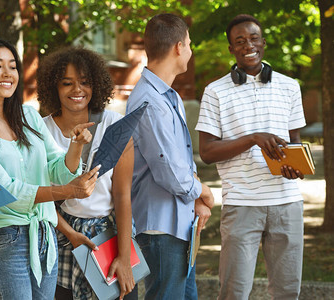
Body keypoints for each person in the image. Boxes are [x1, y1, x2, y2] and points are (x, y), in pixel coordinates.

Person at [0, 38, 99, 300]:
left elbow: (57, 167)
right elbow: (5, 190)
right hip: (5, 237)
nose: (8, 73)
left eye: (13, 66)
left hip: (45, 235)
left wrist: (76, 146)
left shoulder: (28, 116)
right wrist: (68, 191)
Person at [196, 14, 306, 300]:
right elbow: (207, 152)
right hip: (242, 203)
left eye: (253, 38)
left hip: (287, 202)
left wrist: (296, 167)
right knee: (234, 291)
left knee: (287, 291)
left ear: (264, 43)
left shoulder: (290, 86)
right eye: (240, 41)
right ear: (231, 49)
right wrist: (253, 139)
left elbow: (295, 143)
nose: (248, 46)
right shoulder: (214, 92)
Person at [126, 13, 214, 299]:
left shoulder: (169, 96)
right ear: (178, 47)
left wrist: (196, 200)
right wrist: (204, 190)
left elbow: (182, 160)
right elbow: (170, 172)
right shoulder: (150, 101)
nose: (190, 50)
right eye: (189, 44)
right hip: (160, 230)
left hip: (179, 223)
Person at [38, 46, 136, 300]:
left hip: (108, 236)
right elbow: (40, 197)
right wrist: (70, 234)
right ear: (53, 88)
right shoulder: (41, 129)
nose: (77, 90)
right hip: (59, 237)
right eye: (66, 83)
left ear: (97, 86)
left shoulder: (115, 125)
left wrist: (124, 258)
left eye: (85, 82)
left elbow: (123, 196)